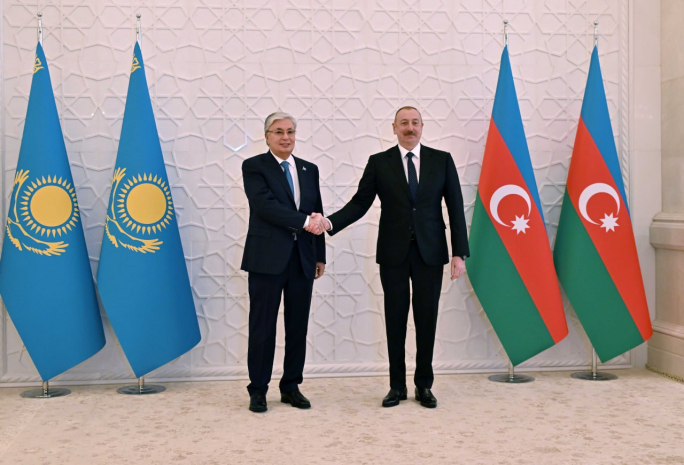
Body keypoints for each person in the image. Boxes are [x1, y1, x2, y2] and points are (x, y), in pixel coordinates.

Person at [318, 106, 469, 408]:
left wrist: (459, 253)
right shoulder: (379, 162)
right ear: (394, 128)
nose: (409, 128)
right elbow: (360, 203)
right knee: (395, 319)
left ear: (422, 126)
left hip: (430, 252)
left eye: (415, 123)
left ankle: (424, 386)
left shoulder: (441, 160)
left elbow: (455, 207)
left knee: (427, 320)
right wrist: (329, 222)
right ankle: (396, 386)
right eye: (404, 123)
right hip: (393, 253)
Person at [241, 111, 328, 412]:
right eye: (278, 131)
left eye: (290, 131)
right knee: (262, 327)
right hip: (266, 259)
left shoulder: (309, 169)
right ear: (267, 136)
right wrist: (304, 222)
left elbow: (317, 211)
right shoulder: (254, 166)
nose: (285, 137)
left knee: (297, 326)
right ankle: (258, 389)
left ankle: (291, 386)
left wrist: (319, 255)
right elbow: (265, 206)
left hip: (303, 259)